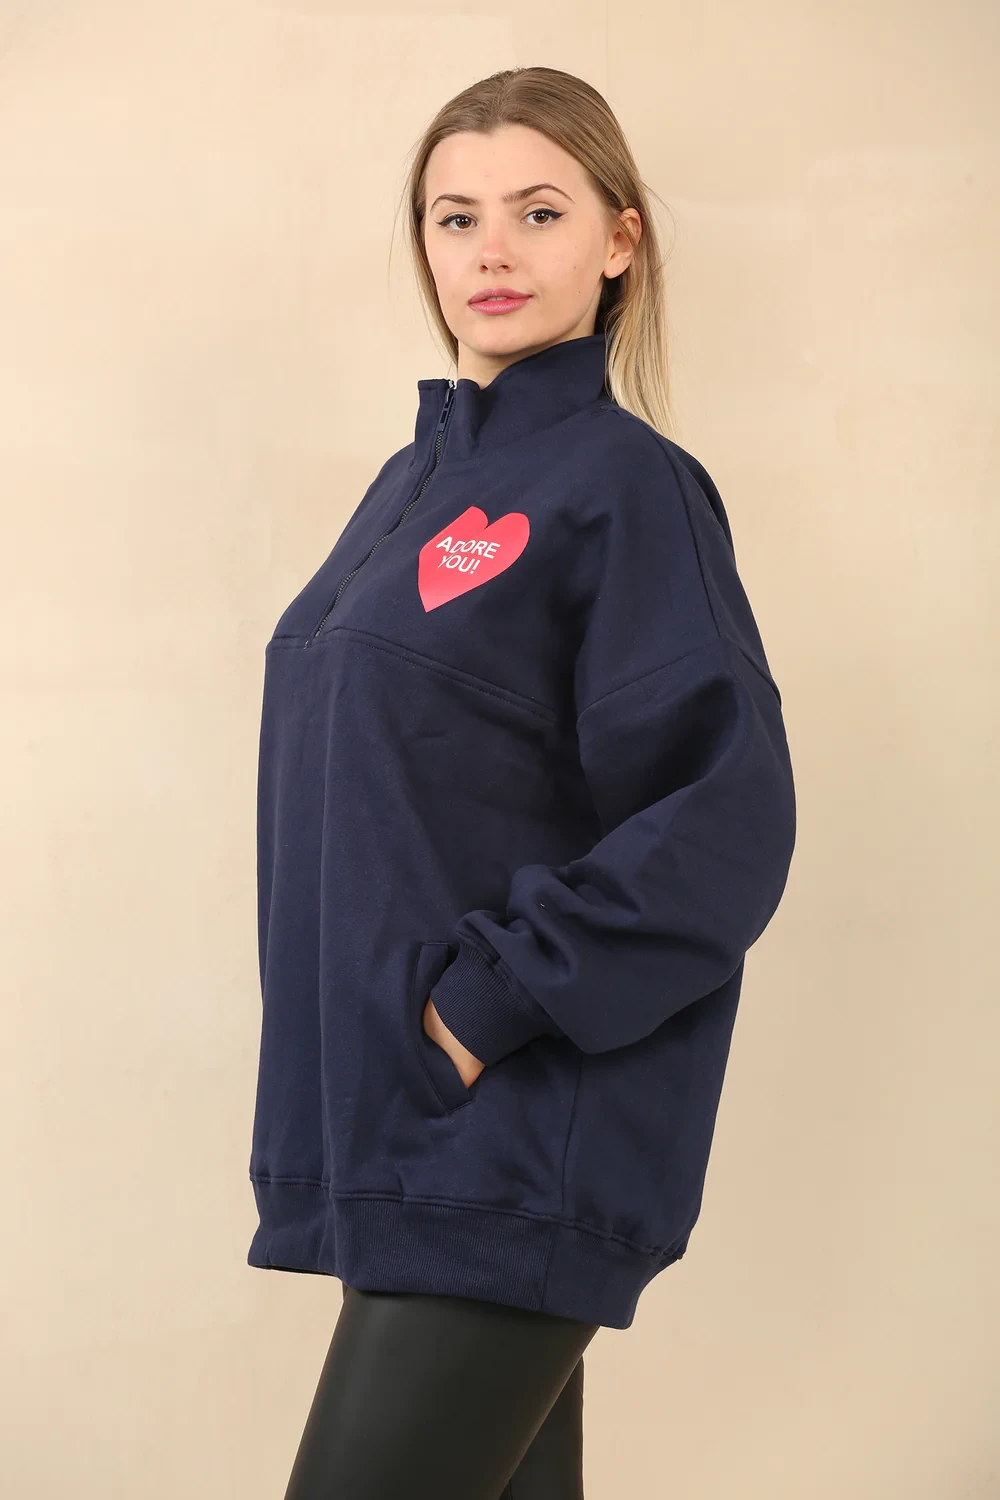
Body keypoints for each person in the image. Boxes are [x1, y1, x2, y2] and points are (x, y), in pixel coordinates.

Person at [246, 65, 797, 1499]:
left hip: (506, 1136)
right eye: (457, 217)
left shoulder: (625, 484)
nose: (491, 251)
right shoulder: (408, 490)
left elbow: (725, 812)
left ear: (618, 240)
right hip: (402, 1133)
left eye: (538, 213)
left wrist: (478, 1012)